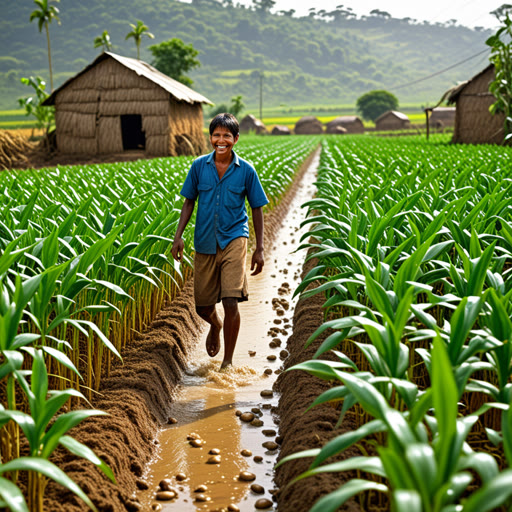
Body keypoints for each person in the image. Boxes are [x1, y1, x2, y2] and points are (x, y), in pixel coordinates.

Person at [171, 113, 269, 369]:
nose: (221, 140)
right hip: (204, 241)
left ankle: (227, 362)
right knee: (203, 306)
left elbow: (257, 208)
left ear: (235, 139)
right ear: (210, 138)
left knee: (230, 300)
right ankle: (215, 324)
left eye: (227, 135)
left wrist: (259, 248)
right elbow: (189, 201)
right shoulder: (198, 167)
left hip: (235, 237)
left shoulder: (246, 171)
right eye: (216, 135)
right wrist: (178, 236)